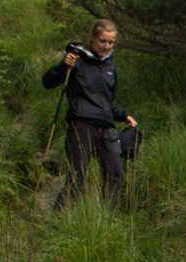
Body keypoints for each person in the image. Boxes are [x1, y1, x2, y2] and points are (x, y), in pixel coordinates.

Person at [42, 18, 137, 207]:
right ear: (92, 39)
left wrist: (123, 115)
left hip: (107, 127)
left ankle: (108, 220)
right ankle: (59, 220)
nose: (106, 46)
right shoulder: (75, 60)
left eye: (110, 42)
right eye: (103, 41)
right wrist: (63, 66)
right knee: (77, 177)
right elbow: (47, 82)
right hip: (81, 124)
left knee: (114, 174)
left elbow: (106, 102)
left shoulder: (110, 68)